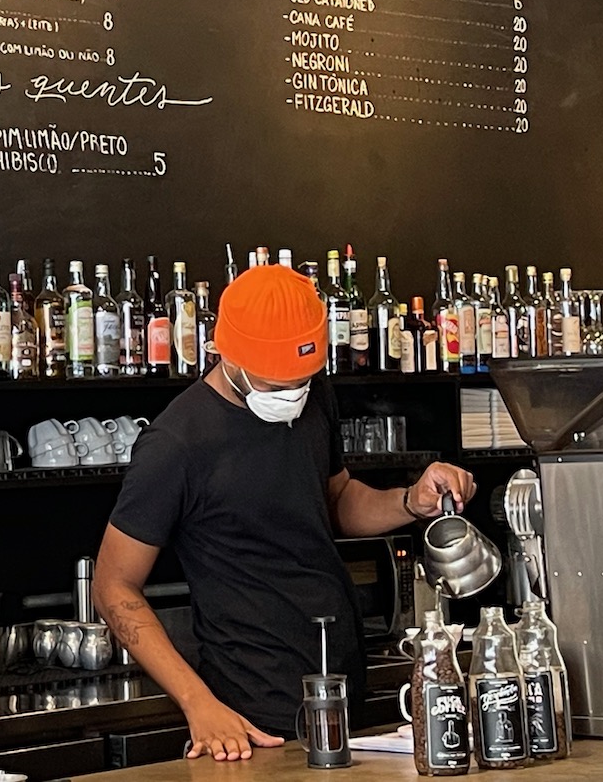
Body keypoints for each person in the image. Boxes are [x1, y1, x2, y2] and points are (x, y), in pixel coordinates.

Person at [94, 263, 476, 761]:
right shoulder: (176, 445)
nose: (291, 396)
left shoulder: (314, 397)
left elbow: (335, 502)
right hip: (251, 717)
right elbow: (112, 586)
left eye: (302, 380)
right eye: (276, 385)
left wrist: (410, 500)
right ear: (224, 352)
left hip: (340, 688)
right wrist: (198, 704)